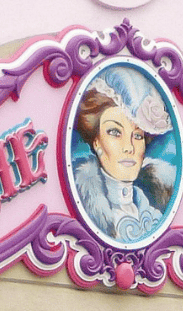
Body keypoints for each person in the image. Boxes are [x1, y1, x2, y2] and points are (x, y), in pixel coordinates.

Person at [73, 66, 175, 243]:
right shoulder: (86, 206)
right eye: (114, 132)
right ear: (96, 141)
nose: (129, 147)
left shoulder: (153, 209)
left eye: (137, 136)